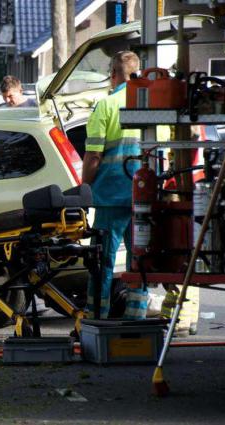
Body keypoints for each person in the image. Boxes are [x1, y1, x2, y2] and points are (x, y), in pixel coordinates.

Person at [81, 51, 146, 320]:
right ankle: (136, 317)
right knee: (138, 259)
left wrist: (85, 187)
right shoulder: (151, 105)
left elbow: (94, 155)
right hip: (143, 196)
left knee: (103, 259)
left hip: (111, 195)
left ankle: (96, 315)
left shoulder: (106, 106)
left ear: (115, 75)